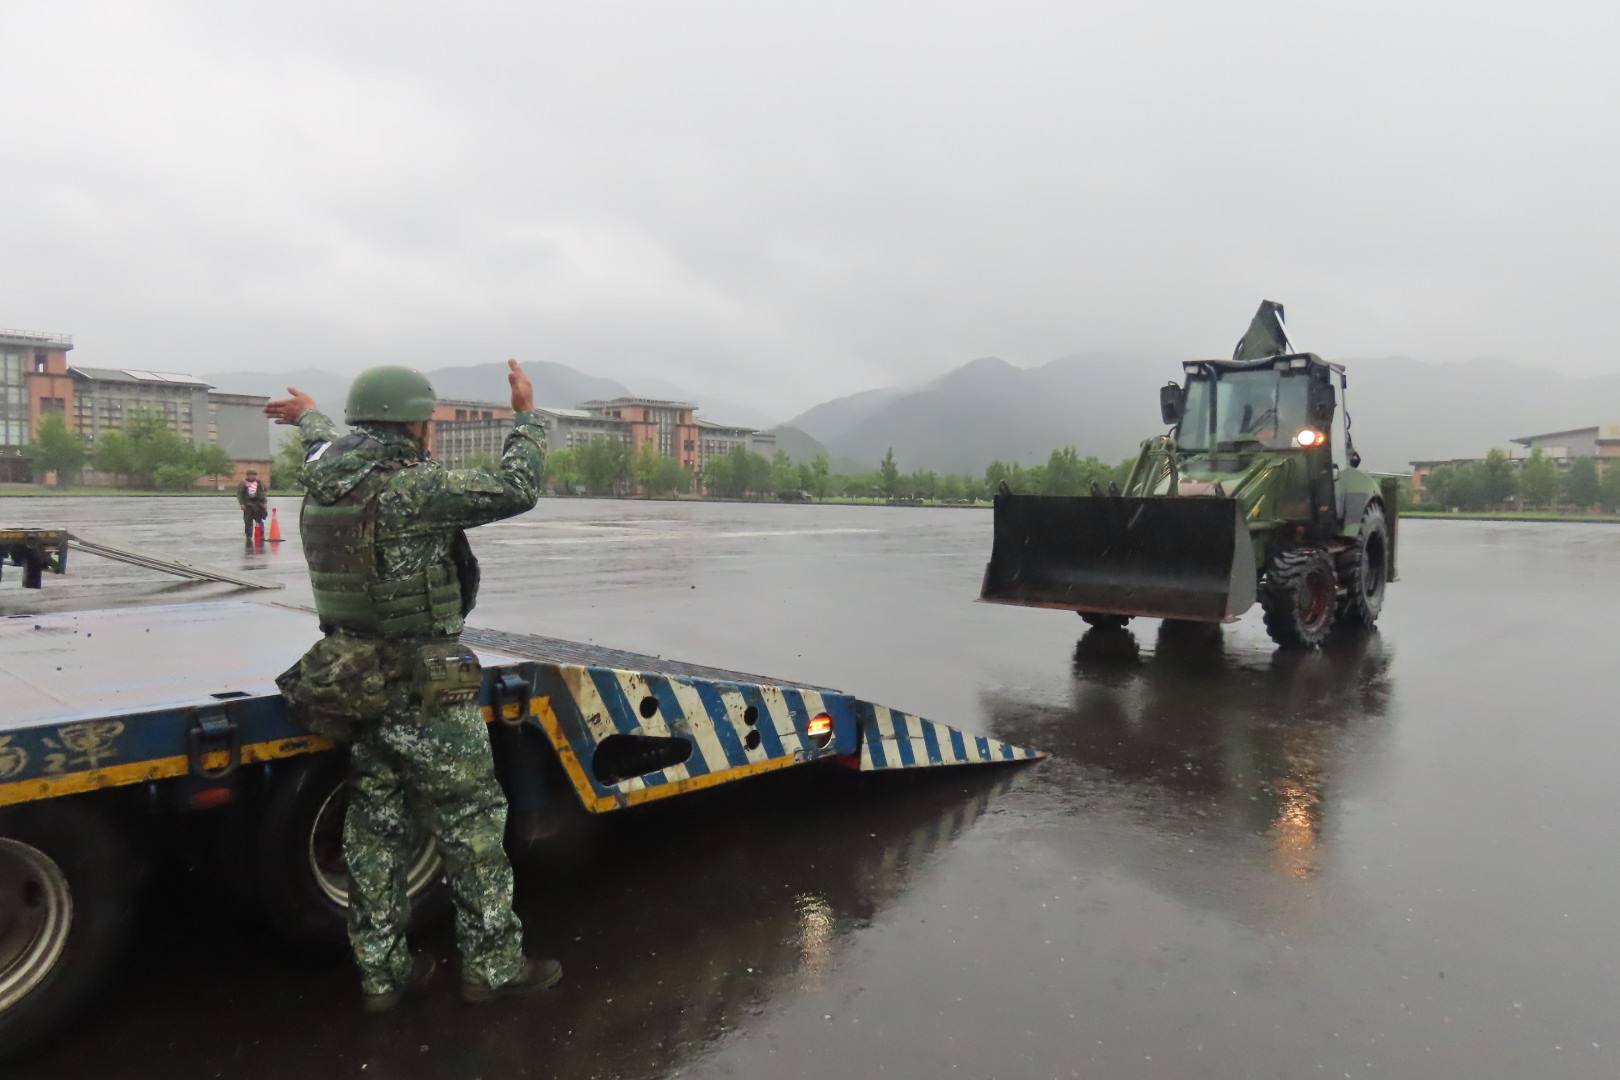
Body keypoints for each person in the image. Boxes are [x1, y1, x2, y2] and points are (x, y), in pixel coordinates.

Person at [265, 359, 556, 1012]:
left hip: (355, 683)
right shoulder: (414, 490)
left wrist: (313, 412)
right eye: (426, 420)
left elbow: (324, 441)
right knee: (472, 826)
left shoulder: (324, 478)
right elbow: (518, 484)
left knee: (373, 830)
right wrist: (527, 417)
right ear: (412, 424)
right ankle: (493, 967)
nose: (431, 431)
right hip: (425, 687)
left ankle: (382, 977)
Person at [236, 469, 268, 540]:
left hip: (257, 504)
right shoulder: (243, 483)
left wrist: (264, 502)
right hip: (248, 504)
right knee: (248, 521)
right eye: (250, 475)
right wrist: (242, 504)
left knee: (259, 521)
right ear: (247, 475)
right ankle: (249, 536)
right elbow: (240, 494)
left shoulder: (259, 483)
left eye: (253, 475)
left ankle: (260, 536)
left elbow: (263, 494)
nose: (252, 476)